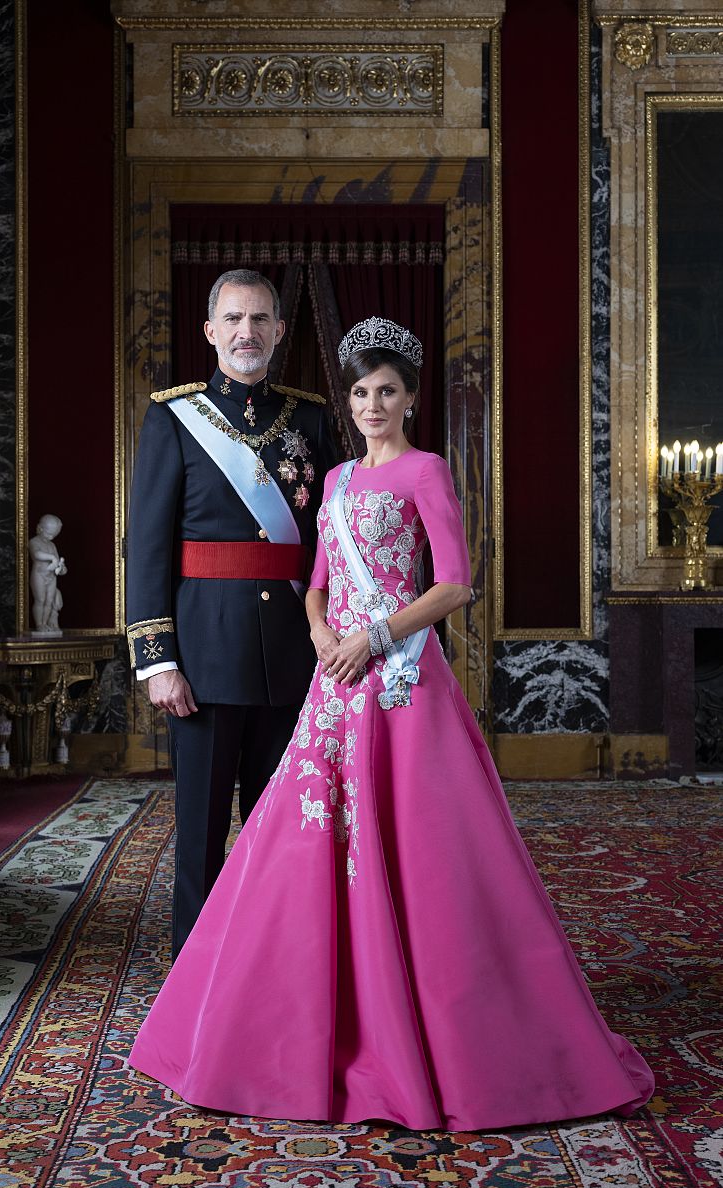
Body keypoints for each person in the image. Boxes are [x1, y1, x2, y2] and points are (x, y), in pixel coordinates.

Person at [128, 316, 654, 1131]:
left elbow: (457, 585)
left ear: (410, 398)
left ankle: (434, 1019)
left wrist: (374, 637)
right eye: (362, 392)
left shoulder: (427, 472)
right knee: (302, 846)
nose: (373, 404)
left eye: (388, 392)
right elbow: (314, 580)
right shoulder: (334, 480)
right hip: (335, 682)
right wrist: (321, 635)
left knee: (417, 849)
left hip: (402, 684)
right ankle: (297, 1018)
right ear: (350, 398)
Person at [126, 269, 337, 960]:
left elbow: (331, 545)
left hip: (294, 659)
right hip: (204, 662)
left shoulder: (310, 420)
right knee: (201, 833)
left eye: (260, 319)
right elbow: (149, 548)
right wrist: (158, 660)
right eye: (234, 319)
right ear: (211, 331)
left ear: (279, 331)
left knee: (288, 830)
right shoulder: (173, 417)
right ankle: (198, 978)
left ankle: (279, 967)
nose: (247, 332)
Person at [29, 514, 67, 633]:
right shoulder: (34, 541)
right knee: (40, 599)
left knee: (49, 601)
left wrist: (61, 568)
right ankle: (39, 624)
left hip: (51, 577)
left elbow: (57, 561)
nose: (51, 537)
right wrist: (51, 557)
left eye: (54, 535)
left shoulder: (52, 545)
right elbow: (37, 554)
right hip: (39, 575)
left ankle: (45, 624)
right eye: (48, 534)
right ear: (40, 528)